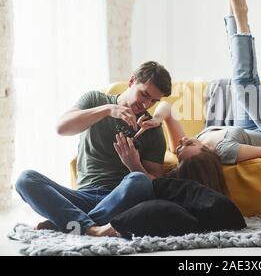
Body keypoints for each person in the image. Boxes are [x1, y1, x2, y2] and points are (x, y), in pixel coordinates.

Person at [138, 0, 261, 172]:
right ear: (204, 157)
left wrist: (157, 119)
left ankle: (232, 8)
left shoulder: (185, 147)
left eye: (180, 146)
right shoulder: (224, 152)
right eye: (187, 145)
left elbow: (167, 110)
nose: (182, 142)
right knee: (243, 87)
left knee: (239, 82)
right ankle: (241, 15)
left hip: (250, 130)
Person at [15, 61, 172, 237]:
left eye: (153, 101)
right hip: (81, 198)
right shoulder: (96, 101)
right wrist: (107, 110)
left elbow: (156, 184)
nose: (146, 104)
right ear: (132, 81)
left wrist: (134, 165)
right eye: (144, 95)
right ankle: (92, 227)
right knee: (25, 179)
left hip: (119, 199)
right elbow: (62, 128)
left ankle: (73, 224)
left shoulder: (151, 129)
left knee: (139, 180)